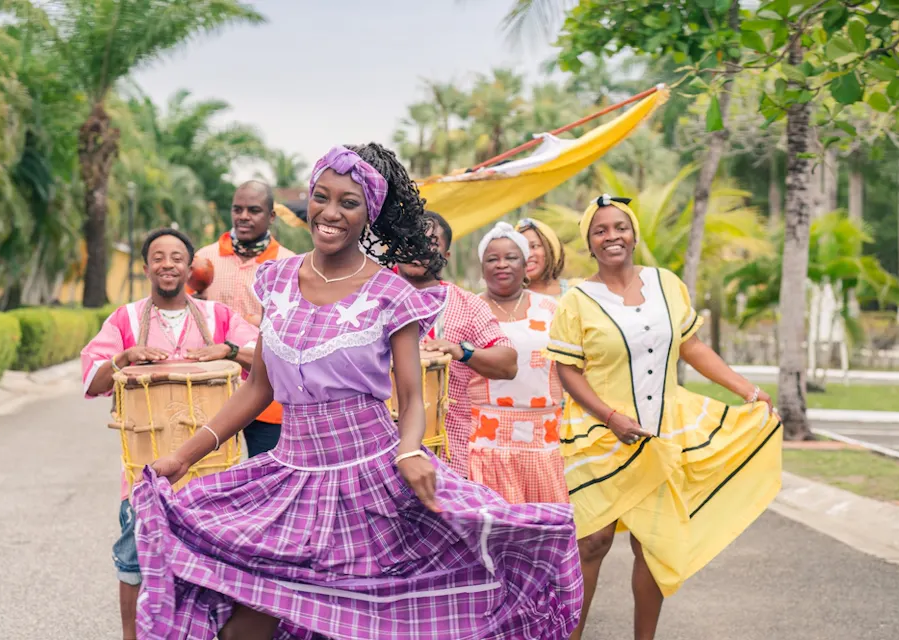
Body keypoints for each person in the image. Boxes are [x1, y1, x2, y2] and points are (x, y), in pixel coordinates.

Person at [131, 144, 584, 640]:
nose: (330, 213)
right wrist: (184, 456)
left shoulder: (391, 293)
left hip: (371, 481)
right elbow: (259, 387)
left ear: (370, 214)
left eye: (348, 203)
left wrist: (411, 450)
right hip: (291, 477)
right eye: (321, 197)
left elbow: (411, 399)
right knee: (246, 623)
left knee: (366, 622)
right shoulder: (277, 279)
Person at [546, 194, 783, 640]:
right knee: (591, 543)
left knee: (651, 545)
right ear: (590, 242)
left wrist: (746, 388)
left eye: (620, 227)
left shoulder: (667, 284)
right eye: (600, 231)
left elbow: (692, 346)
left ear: (633, 234)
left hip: (662, 431)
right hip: (599, 432)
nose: (611, 236)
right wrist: (610, 416)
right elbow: (567, 369)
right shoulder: (576, 299)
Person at [80, 227, 260, 640]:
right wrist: (123, 357)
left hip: (214, 474)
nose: (168, 264)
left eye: (177, 257)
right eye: (158, 257)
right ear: (146, 268)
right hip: (145, 471)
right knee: (134, 559)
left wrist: (228, 350)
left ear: (189, 266)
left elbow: (264, 362)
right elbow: (92, 380)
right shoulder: (124, 319)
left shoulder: (219, 318)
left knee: (216, 567)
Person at [396, 210, 519, 477]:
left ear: (446, 256)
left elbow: (508, 363)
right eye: (409, 240)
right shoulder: (372, 300)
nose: (417, 249)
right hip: (377, 456)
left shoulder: (469, 305)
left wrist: (462, 351)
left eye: (430, 243)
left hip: (447, 461)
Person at [467, 222, 566, 504]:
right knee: (494, 533)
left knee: (541, 532)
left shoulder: (550, 309)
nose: (502, 265)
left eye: (511, 258)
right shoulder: (469, 309)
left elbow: (571, 367)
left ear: (525, 265)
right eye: (492, 259)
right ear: (482, 267)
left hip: (543, 442)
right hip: (485, 445)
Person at [194, 180, 296, 457]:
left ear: (271, 216)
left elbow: (294, 332)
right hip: (210, 388)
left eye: (253, 210)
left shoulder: (289, 266)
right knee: (209, 473)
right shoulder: (204, 259)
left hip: (267, 394)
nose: (243, 217)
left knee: (267, 477)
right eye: (237, 209)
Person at [516, 217, 578, 297]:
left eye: (534, 246)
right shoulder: (509, 300)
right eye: (521, 249)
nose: (528, 254)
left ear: (550, 248)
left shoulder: (576, 291)